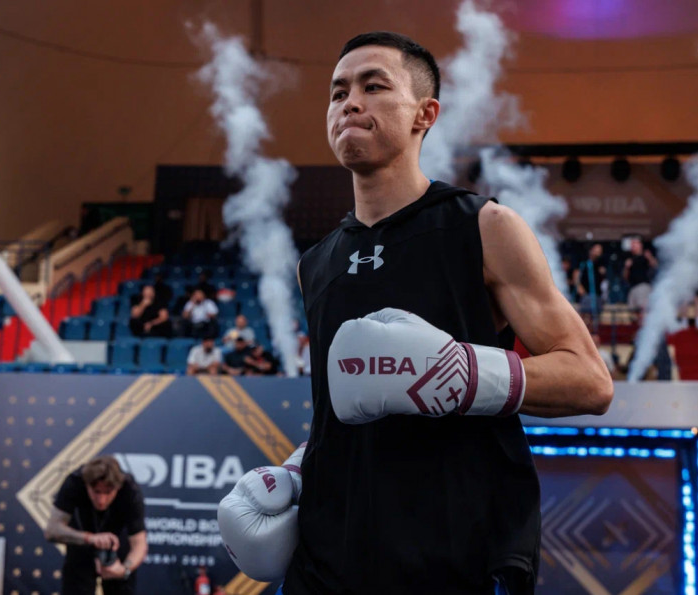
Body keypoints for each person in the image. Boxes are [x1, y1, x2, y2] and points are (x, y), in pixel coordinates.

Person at [217, 32, 612, 595]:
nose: (350, 103)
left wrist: (461, 373)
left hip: (454, 556)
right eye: (338, 93)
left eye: (374, 86)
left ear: (425, 114)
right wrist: (301, 470)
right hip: (329, 561)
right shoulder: (316, 264)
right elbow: (351, 401)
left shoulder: (484, 227)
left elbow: (590, 380)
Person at [44, 455, 147, 595]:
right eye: (96, 492)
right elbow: (51, 530)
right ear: (86, 484)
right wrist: (90, 538)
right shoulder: (75, 481)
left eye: (108, 492)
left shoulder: (129, 489)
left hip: (117, 547)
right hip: (81, 541)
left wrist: (124, 569)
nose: (101, 500)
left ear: (118, 488)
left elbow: (139, 543)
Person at [573, 243, 606, 322]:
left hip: (597, 295)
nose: (598, 253)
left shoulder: (600, 264)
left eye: (600, 251)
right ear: (591, 250)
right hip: (586, 295)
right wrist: (581, 291)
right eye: (596, 250)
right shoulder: (583, 262)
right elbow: (576, 277)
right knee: (585, 318)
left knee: (596, 319)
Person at [622, 237, 657, 313]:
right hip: (632, 288)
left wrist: (650, 257)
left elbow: (655, 265)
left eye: (635, 244)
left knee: (642, 310)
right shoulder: (630, 259)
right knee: (633, 312)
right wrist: (626, 267)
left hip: (643, 286)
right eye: (632, 244)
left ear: (640, 245)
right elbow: (625, 277)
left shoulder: (645, 256)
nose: (633, 246)